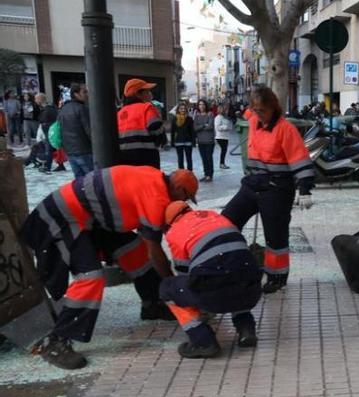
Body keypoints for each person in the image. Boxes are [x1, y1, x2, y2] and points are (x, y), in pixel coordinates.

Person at [20, 166, 199, 369]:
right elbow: (155, 252)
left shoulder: (154, 177)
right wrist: (174, 288)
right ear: (177, 188)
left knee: (134, 249)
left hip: (86, 219)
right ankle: (56, 340)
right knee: (90, 277)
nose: (182, 203)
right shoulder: (156, 197)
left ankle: (153, 304)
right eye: (185, 197)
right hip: (59, 219)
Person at [222, 87, 315, 294]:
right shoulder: (254, 121)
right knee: (226, 222)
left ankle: (277, 276)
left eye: (262, 110)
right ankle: (230, 266)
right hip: (253, 184)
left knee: (276, 236)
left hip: (277, 189)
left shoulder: (285, 129)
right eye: (255, 110)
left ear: (273, 108)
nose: (258, 114)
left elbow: (300, 158)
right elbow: (244, 113)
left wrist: (305, 188)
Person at [161, 201, 262, 358]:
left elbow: (186, 276)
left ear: (170, 221)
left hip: (216, 295)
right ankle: (246, 329)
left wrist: (202, 309)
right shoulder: (215, 217)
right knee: (236, 272)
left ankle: (203, 342)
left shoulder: (175, 232)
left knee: (168, 288)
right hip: (252, 289)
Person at [117, 78, 164, 168]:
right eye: (147, 92)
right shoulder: (146, 107)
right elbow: (156, 128)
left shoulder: (119, 113)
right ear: (138, 94)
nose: (150, 94)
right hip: (147, 157)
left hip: (124, 158)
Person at [57, 83, 93, 178]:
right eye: (84, 92)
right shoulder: (82, 109)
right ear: (76, 94)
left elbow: (59, 130)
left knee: (80, 182)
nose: (87, 94)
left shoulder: (63, 109)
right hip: (85, 150)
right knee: (92, 181)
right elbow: (90, 131)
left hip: (70, 152)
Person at [35, 93, 58, 172]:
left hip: (49, 131)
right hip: (51, 130)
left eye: (36, 99)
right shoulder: (50, 107)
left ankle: (47, 167)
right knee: (53, 148)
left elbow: (43, 119)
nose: (35, 101)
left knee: (49, 149)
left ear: (40, 99)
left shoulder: (47, 108)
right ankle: (58, 165)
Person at [194, 100, 215, 181]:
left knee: (209, 158)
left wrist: (201, 127)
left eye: (203, 104)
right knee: (204, 159)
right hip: (200, 141)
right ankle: (206, 174)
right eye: (200, 104)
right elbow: (195, 128)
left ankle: (210, 175)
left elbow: (210, 126)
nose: (201, 106)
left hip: (209, 141)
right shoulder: (197, 115)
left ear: (206, 105)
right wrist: (204, 125)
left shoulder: (210, 114)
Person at [170, 103, 195, 171]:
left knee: (189, 159)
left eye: (184, 108)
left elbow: (192, 131)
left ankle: (190, 173)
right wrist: (172, 142)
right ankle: (181, 174)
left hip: (188, 141)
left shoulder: (189, 119)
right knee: (180, 159)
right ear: (178, 110)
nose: (183, 110)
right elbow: (172, 131)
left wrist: (193, 141)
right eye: (181, 108)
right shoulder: (174, 119)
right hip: (178, 141)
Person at [215, 104, 234, 170]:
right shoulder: (218, 117)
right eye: (225, 109)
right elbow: (217, 127)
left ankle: (222, 163)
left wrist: (229, 127)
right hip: (220, 137)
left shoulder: (225, 117)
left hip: (225, 136)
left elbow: (229, 125)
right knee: (223, 150)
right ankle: (222, 163)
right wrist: (225, 127)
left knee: (224, 150)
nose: (226, 111)